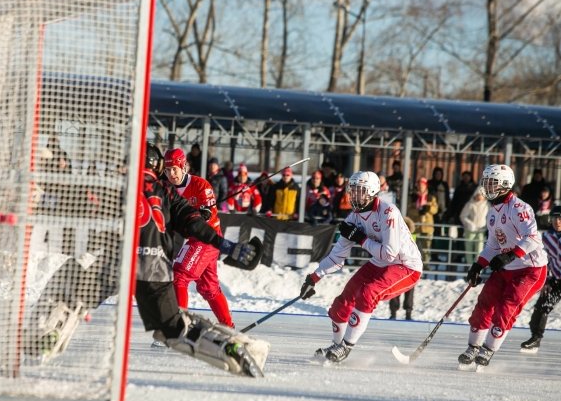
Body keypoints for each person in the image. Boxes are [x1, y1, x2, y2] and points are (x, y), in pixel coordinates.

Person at [27, 142, 268, 377]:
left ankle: (49, 332)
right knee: (175, 327)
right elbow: (195, 225)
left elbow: (79, 197)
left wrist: (47, 179)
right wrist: (227, 245)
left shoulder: (122, 186)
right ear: (158, 166)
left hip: (121, 265)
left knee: (73, 276)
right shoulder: (167, 192)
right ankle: (231, 348)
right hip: (155, 271)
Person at [298, 171, 423, 363]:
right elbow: (337, 256)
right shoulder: (353, 218)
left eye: (360, 191)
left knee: (367, 293)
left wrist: (361, 239)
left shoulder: (388, 212)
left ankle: (346, 346)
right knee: (342, 301)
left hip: (405, 265)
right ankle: (338, 345)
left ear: (372, 192)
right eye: (353, 191)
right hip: (379, 262)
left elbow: (389, 253)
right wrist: (314, 277)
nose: (355, 196)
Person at [459, 164, 547, 369]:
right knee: (485, 302)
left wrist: (508, 256)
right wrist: (478, 265)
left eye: (492, 183)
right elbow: (492, 245)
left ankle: (488, 349)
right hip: (507, 268)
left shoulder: (520, 208)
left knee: (507, 306)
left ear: (505, 185)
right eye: (486, 182)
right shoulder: (492, 213)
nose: (487, 187)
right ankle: (473, 346)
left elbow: (533, 238)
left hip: (530, 269)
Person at [163, 148, 235, 327]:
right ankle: (228, 326)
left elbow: (209, 214)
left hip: (207, 237)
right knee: (208, 287)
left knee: (179, 275)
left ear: (183, 167)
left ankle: (179, 326)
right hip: (193, 240)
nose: (171, 174)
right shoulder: (166, 190)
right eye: (167, 170)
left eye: (175, 169)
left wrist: (202, 214)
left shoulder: (201, 185)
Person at [520, 205, 561, 353]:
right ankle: (535, 338)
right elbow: (545, 260)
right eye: (555, 218)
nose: (558, 222)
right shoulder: (547, 238)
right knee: (541, 308)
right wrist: (547, 280)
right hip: (556, 281)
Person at [405, 177, 439, 265]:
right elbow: (408, 210)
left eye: (422, 185)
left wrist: (427, 208)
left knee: (426, 249)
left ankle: (425, 266)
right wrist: (418, 211)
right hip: (414, 227)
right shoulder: (413, 196)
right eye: (419, 185)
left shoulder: (431, 197)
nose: (420, 187)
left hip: (427, 227)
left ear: (425, 186)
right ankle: (412, 265)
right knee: (412, 248)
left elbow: (435, 210)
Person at [459, 188, 489, 265]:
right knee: (468, 250)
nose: (479, 197)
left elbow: (490, 217)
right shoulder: (470, 204)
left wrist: (486, 226)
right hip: (470, 230)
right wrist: (470, 224)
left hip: (481, 231)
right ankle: (469, 266)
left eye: (481, 195)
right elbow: (463, 216)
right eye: (478, 195)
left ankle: (477, 268)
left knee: (479, 251)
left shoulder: (487, 205)